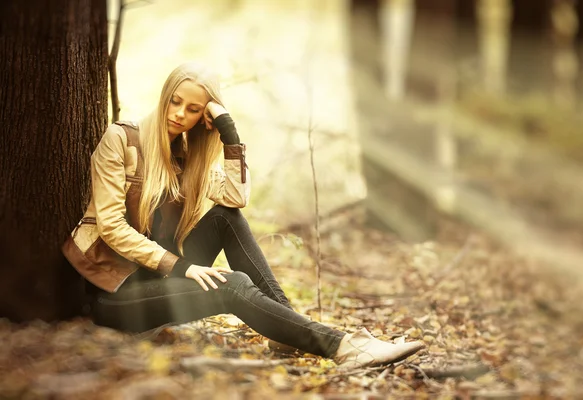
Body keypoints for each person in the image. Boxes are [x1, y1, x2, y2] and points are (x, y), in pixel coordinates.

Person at [61, 62, 425, 369]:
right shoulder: (121, 140)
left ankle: (287, 333)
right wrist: (182, 267)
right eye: (175, 102)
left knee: (225, 218)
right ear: (164, 95)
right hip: (116, 295)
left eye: (192, 110)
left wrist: (228, 132)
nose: (179, 115)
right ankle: (344, 347)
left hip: (166, 279)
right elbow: (110, 226)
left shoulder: (188, 157)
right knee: (232, 284)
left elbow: (235, 199)